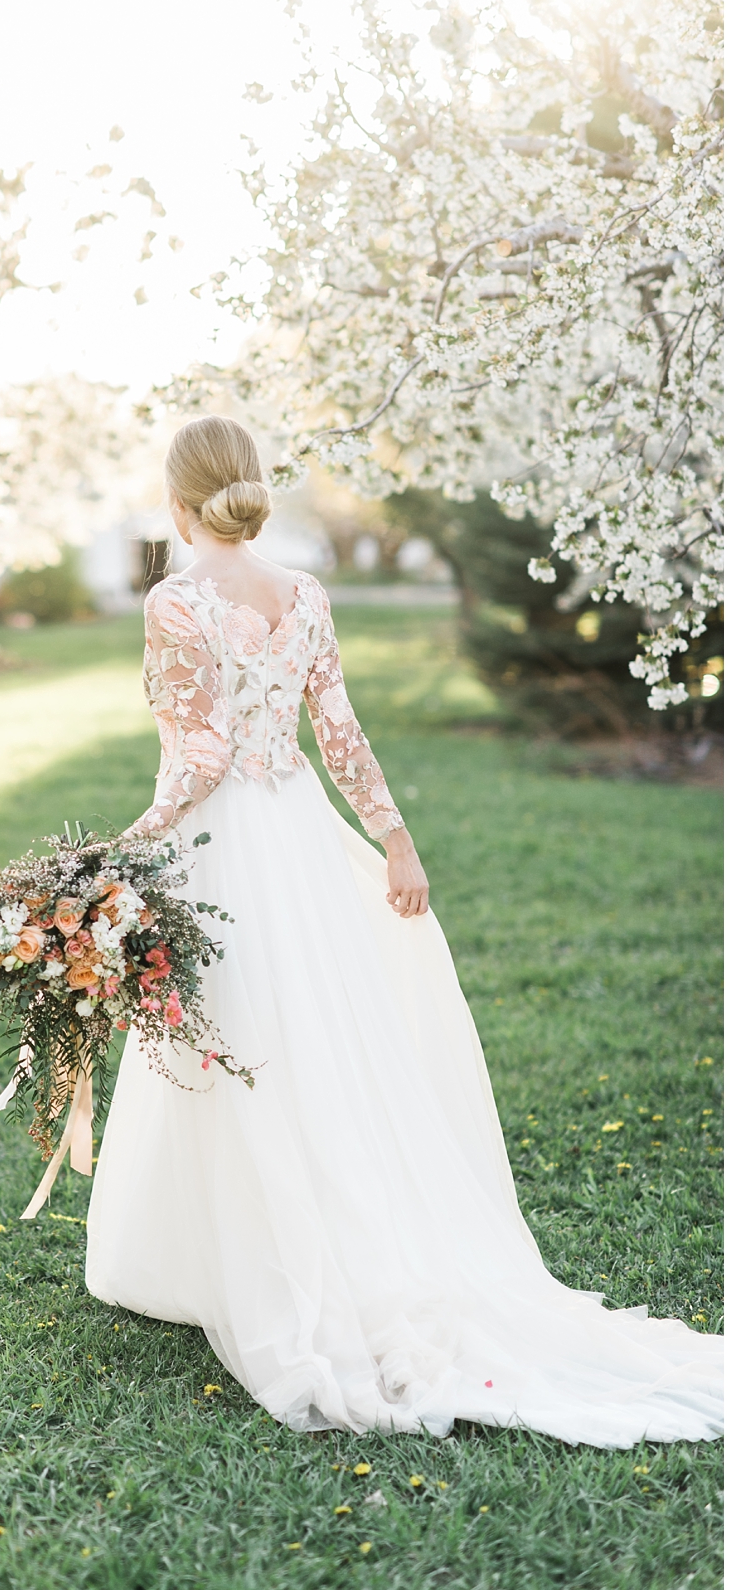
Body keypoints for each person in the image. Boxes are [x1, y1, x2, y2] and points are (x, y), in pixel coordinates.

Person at [86, 416, 721, 1445]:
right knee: (308, 1041)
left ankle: (237, 1263)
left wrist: (124, 845)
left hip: (222, 843)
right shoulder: (302, 593)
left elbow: (195, 759)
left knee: (231, 1040)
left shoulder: (173, 600)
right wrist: (394, 839)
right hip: (296, 831)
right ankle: (256, 1247)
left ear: (176, 498)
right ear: (248, 488)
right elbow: (337, 732)